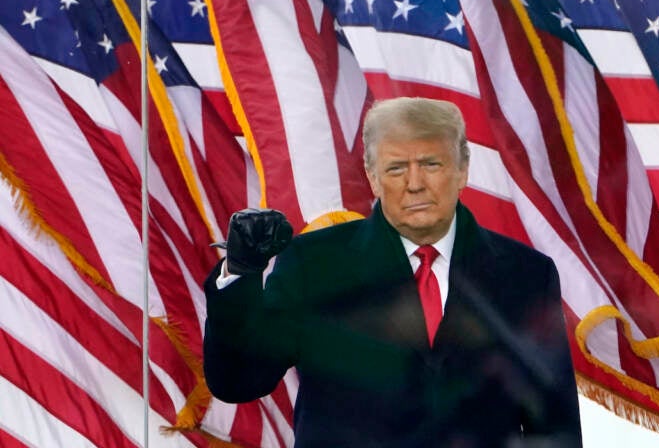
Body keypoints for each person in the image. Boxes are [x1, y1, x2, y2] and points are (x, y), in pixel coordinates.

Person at [203, 97, 582, 447]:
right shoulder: (314, 264)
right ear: (372, 176)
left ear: (463, 169)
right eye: (397, 168)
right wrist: (241, 272)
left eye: (431, 164)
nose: (415, 184)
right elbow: (238, 380)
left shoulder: (525, 273)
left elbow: (552, 424)